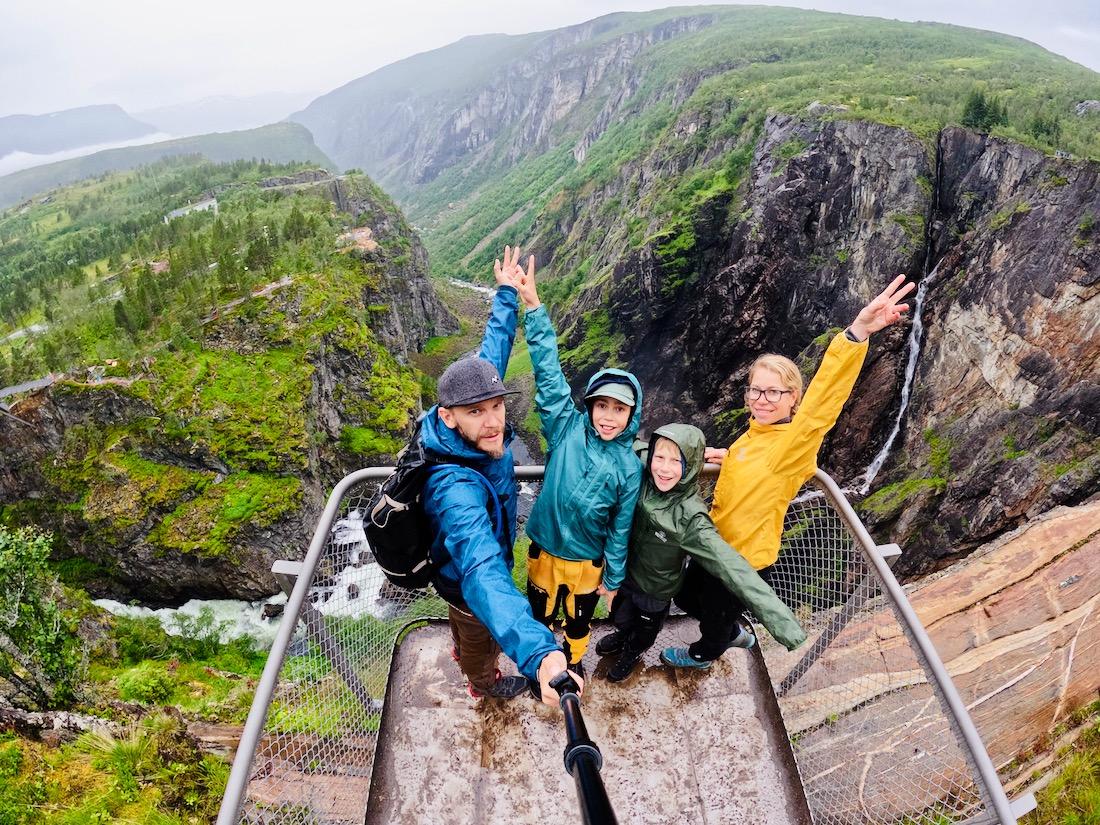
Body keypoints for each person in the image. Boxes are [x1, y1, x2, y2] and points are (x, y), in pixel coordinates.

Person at [662, 275, 915, 670]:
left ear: (793, 398)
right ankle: (731, 631)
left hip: (742, 558)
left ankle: (705, 653)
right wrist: (729, 459)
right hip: (715, 544)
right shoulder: (754, 437)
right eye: (755, 391)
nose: (761, 400)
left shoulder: (794, 445)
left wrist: (858, 332)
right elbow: (756, 466)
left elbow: (823, 405)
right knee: (689, 597)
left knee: (713, 612)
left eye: (774, 393)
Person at [420, 246, 583, 704]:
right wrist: (541, 655)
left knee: (472, 628)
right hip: (466, 582)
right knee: (480, 636)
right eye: (477, 411)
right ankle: (483, 683)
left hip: (458, 569)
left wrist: (508, 295)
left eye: (497, 405)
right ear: (450, 417)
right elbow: (483, 572)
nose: (494, 421)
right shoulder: (452, 487)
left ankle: (468, 656)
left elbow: (489, 354)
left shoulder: (462, 422)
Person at [509, 255, 644, 692]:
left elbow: (621, 526)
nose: (608, 416)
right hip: (545, 549)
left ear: (632, 414)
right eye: (601, 405)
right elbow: (549, 375)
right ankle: (541, 665)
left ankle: (574, 661)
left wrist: (614, 576)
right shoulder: (565, 427)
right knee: (538, 614)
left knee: (580, 620)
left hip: (588, 563)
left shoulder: (629, 467)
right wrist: (534, 308)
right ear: (589, 406)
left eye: (618, 409)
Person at [597, 424, 806, 681]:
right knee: (620, 615)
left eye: (676, 461)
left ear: (691, 466)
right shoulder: (644, 474)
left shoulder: (691, 518)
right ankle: (622, 635)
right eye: (659, 458)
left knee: (644, 631)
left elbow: (731, 565)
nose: (664, 468)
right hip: (627, 576)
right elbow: (625, 438)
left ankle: (631, 653)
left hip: (655, 590)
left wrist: (783, 623)